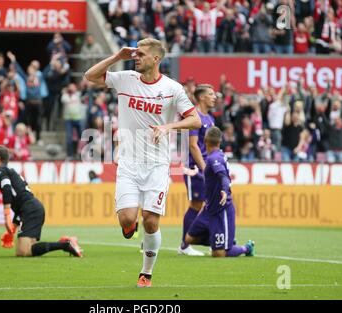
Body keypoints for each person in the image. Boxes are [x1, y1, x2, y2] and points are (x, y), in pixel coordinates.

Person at [84, 38, 201, 287]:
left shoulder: (172, 88)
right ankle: (130, 228)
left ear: (156, 59)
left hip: (157, 165)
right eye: (135, 54)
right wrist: (118, 56)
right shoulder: (126, 78)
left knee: (151, 220)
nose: (136, 57)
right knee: (128, 220)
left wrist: (169, 126)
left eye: (141, 54)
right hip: (128, 162)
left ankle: (146, 273)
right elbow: (90, 76)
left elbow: (195, 120)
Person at [0, 145, 83, 257]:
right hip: (31, 208)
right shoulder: (9, 171)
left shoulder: (0, 171)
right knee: (27, 249)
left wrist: (6, 215)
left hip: (30, 209)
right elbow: (19, 204)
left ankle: (66, 244)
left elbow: (7, 190)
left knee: (22, 252)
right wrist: (12, 229)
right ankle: (65, 243)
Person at [183, 126, 255, 258]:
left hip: (222, 210)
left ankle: (246, 248)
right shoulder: (218, 155)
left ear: (204, 140)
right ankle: (220, 239)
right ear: (220, 141)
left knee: (219, 253)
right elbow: (215, 176)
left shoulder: (213, 159)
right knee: (188, 239)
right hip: (208, 208)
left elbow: (223, 177)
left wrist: (224, 190)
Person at [178, 84, 216, 256]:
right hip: (194, 168)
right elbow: (193, 146)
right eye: (211, 94)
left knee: (207, 205)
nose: (214, 97)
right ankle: (184, 246)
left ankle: (212, 239)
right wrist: (205, 168)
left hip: (205, 167)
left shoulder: (210, 119)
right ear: (201, 97)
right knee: (196, 204)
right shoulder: (194, 116)